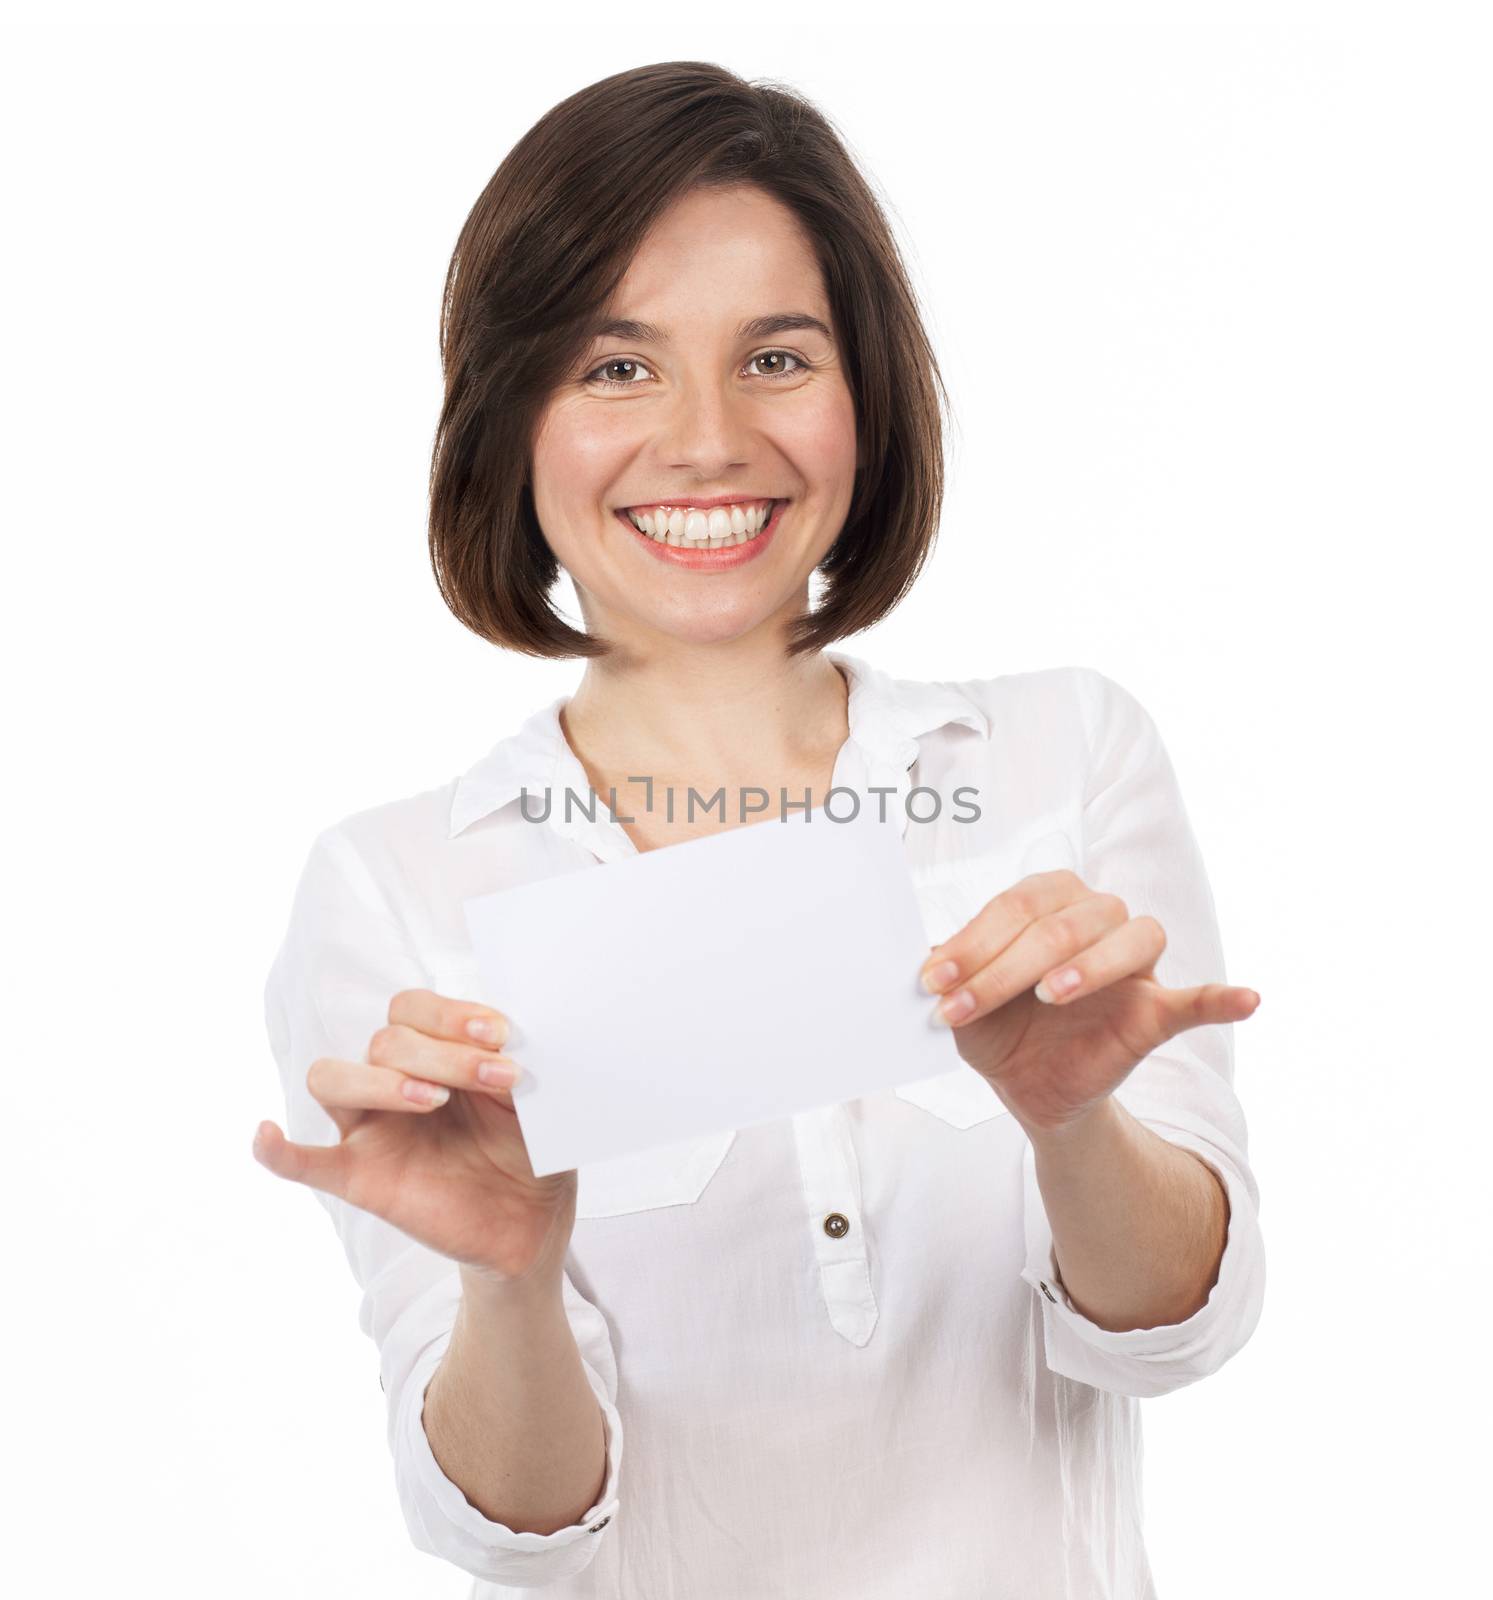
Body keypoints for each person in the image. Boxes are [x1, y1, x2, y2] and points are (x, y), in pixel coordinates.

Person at [254, 60, 1266, 1599]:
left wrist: (1072, 1123)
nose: (708, 440)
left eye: (776, 357)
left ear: (866, 389)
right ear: (506, 421)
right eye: (615, 368)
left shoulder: (1060, 755)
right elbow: (513, 1525)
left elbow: (1177, 1327)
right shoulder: (395, 887)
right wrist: (509, 1277)